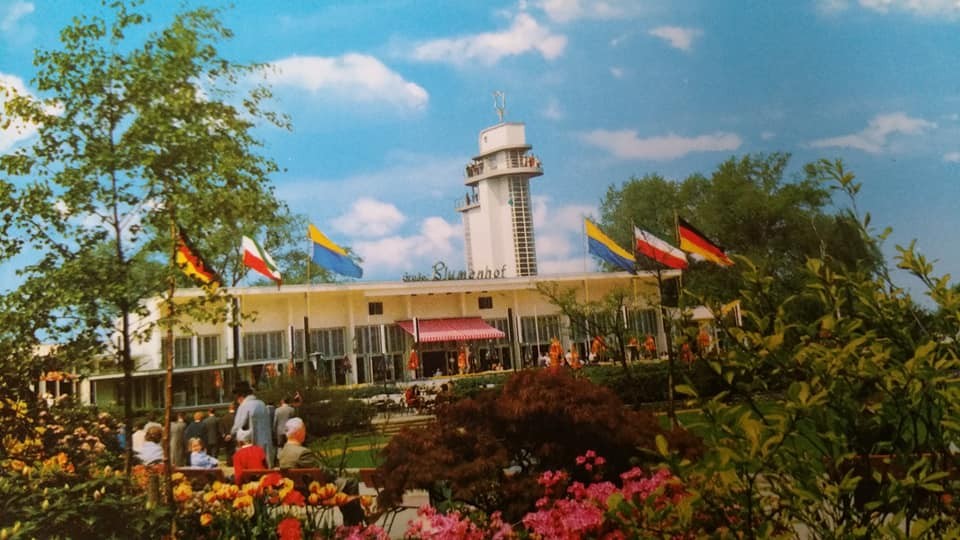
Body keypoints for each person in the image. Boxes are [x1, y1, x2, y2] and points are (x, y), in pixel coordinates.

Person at [279, 417, 364, 526]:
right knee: (351, 483)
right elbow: (322, 472)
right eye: (304, 429)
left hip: (297, 491)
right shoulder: (302, 452)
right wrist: (333, 473)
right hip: (311, 493)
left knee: (345, 486)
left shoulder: (283, 452)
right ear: (299, 432)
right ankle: (354, 524)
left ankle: (353, 522)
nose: (305, 433)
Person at [231, 380, 275, 468]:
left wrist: (231, 433)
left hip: (253, 447)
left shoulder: (244, 406)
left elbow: (237, 426)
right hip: (266, 446)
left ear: (240, 397)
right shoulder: (262, 404)